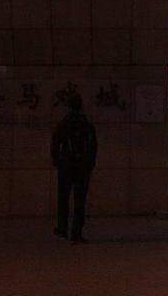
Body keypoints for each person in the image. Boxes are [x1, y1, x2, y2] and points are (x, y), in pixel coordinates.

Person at [50, 93, 97, 242]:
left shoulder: (64, 123)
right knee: (79, 200)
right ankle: (76, 232)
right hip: (82, 166)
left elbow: (55, 143)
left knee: (63, 198)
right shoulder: (85, 123)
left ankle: (62, 228)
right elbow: (93, 145)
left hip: (66, 166)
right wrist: (90, 164)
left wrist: (57, 161)